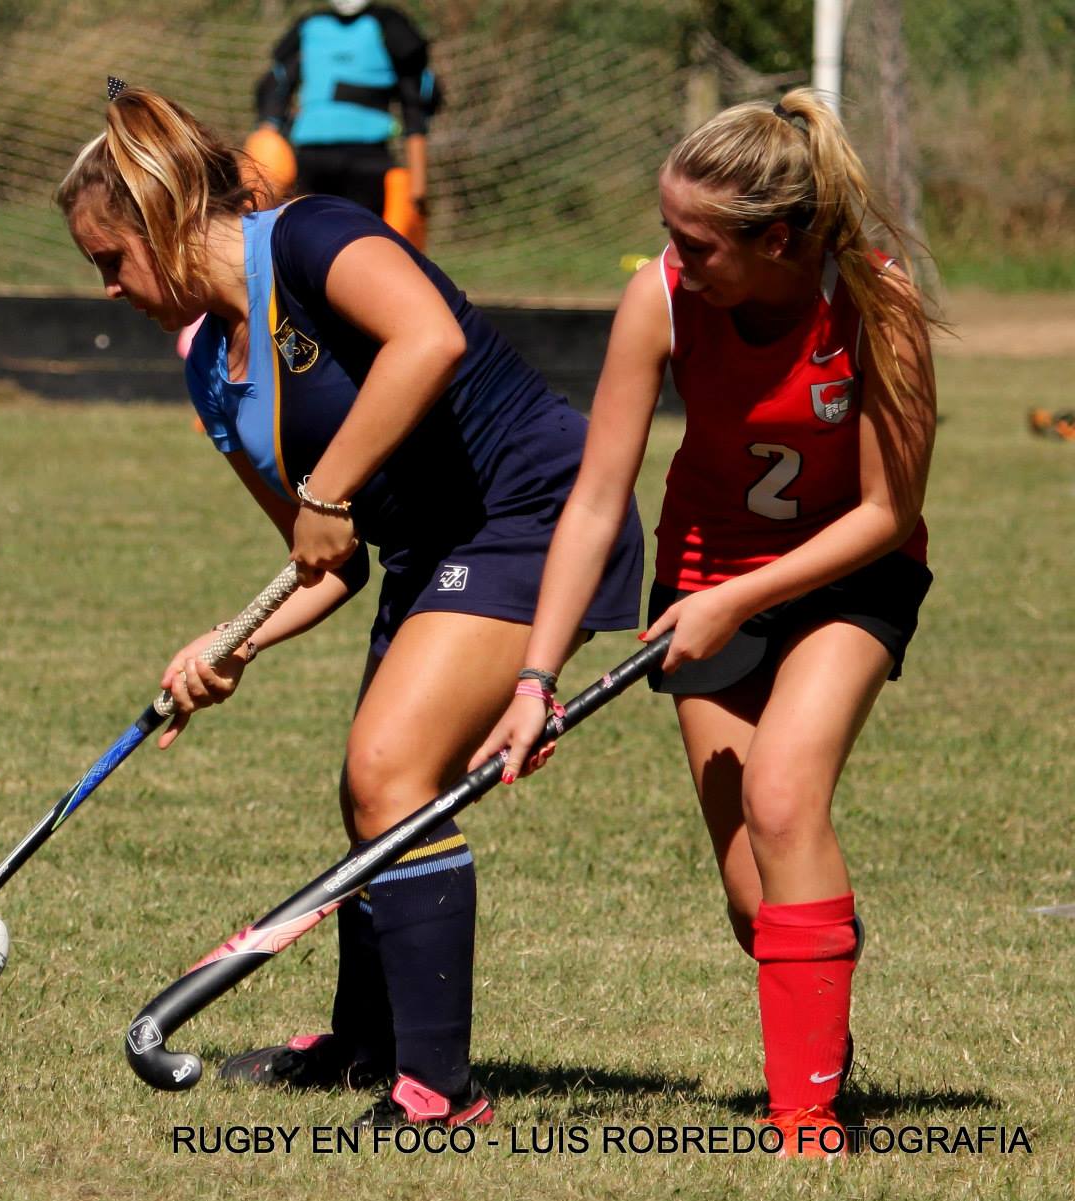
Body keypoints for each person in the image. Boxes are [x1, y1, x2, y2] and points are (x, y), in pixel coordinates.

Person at [57, 84, 642, 1129]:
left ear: (158, 219)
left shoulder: (312, 236)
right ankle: (366, 1047)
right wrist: (228, 643)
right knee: (370, 794)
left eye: (110, 258)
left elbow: (428, 342)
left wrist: (327, 491)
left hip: (526, 510)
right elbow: (323, 563)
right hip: (427, 546)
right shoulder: (206, 366)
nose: (107, 287)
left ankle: (438, 1095)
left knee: (389, 772)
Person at [473, 88, 937, 1157]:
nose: (670, 261)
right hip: (702, 572)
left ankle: (804, 1122)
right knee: (751, 897)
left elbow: (887, 510)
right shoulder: (659, 299)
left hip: (842, 577)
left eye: (693, 243)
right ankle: (819, 1015)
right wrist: (533, 679)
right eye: (665, 235)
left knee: (781, 795)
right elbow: (597, 499)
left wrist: (741, 596)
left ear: (775, 238)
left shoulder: (874, 303)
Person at [253, 1, 438, 246]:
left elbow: (415, 101)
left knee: (357, 243)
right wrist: (264, 156)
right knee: (316, 245)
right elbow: (275, 92)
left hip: (365, 160)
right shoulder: (310, 26)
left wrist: (418, 185)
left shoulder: (388, 24)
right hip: (312, 159)